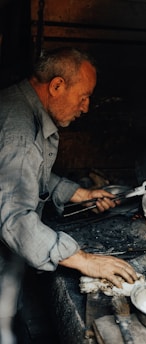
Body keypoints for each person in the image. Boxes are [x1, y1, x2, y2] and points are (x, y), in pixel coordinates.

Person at [0, 47, 137, 296]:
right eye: (83, 97)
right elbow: (15, 220)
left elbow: (23, 173)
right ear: (57, 86)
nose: (85, 108)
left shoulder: (18, 103)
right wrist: (83, 259)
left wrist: (80, 194)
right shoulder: (20, 133)